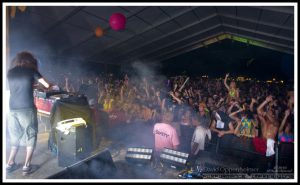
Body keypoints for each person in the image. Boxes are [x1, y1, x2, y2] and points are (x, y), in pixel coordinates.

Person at [6, 51, 54, 175]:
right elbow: (46, 85)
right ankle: (26, 166)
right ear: (30, 61)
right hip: (26, 108)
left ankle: (10, 163)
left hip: (12, 109)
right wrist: (48, 86)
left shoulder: (10, 72)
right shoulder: (31, 71)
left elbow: (18, 87)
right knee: (31, 135)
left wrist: (32, 86)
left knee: (15, 136)